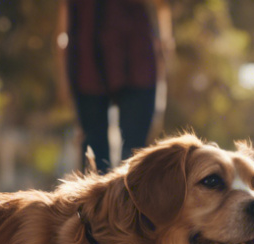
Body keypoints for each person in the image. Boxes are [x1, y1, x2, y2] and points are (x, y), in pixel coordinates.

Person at [58, 0, 173, 173]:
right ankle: (97, 199)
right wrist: (63, 75)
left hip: (136, 59)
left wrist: (165, 50)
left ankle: (130, 198)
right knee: (94, 158)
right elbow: (64, 18)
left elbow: (161, 7)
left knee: (135, 156)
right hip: (87, 59)